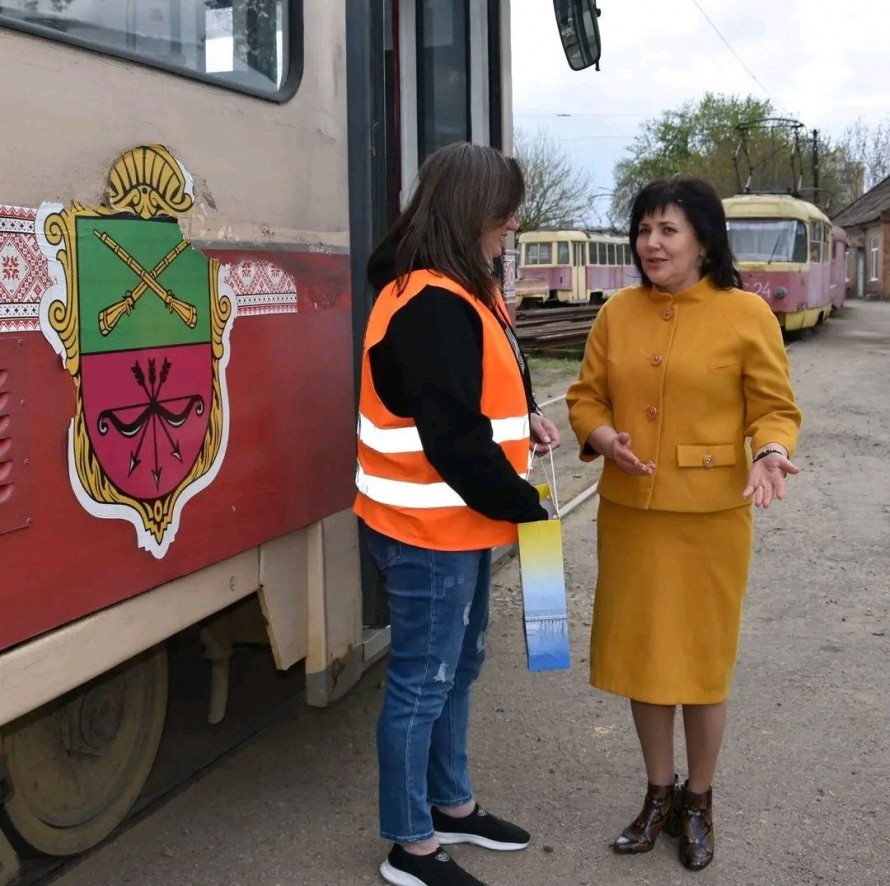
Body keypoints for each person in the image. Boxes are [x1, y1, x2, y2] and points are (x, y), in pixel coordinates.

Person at [567, 174, 801, 872]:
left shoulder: (747, 314)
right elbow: (585, 398)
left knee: (700, 664)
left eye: (668, 229)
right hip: (632, 515)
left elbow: (774, 407)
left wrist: (771, 451)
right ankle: (657, 795)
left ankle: (698, 801)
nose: (652, 243)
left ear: (704, 240)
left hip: (709, 520)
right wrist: (602, 437)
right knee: (645, 658)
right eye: (644, 230)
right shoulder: (617, 313)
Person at [354, 141, 561, 886]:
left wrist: (527, 412)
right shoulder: (431, 303)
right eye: (506, 210)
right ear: (475, 211)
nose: (514, 223)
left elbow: (488, 379)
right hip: (427, 533)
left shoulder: (466, 289)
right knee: (423, 680)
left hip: (459, 525)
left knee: (456, 668)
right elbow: (455, 441)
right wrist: (529, 509)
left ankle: (451, 805)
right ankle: (410, 846)